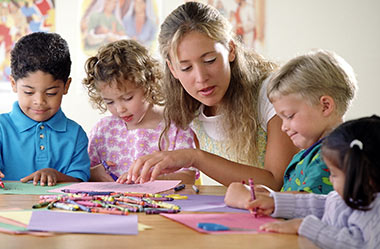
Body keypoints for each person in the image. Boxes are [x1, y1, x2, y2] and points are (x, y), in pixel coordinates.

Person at [119, 1, 299, 189]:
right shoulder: (187, 109)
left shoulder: (271, 93)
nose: (201, 78)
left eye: (210, 60)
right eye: (186, 67)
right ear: (172, 68)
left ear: (230, 50)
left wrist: (195, 157)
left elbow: (276, 182)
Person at [224, 49, 357, 208]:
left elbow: (309, 204)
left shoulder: (332, 157)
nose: (283, 127)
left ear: (325, 106)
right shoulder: (311, 153)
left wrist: (252, 199)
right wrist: (267, 193)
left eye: (289, 116)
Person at [248, 115, 380, 249]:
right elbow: (321, 204)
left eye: (334, 175)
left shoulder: (374, 213)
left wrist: (303, 226)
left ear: (367, 176)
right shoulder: (351, 195)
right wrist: (276, 203)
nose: (330, 179)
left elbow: (357, 244)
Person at [82, 39, 197, 183]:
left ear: (149, 83)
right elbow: (83, 173)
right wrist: (93, 173)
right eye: (109, 102)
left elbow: (188, 177)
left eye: (128, 98)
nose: (120, 109)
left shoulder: (176, 126)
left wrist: (151, 178)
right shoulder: (103, 130)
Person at [0, 32, 90, 186]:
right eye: (28, 92)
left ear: (66, 86)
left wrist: (57, 175)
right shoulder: (2, 128)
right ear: (14, 84)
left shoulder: (76, 135)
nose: (39, 101)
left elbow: (80, 180)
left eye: (51, 93)